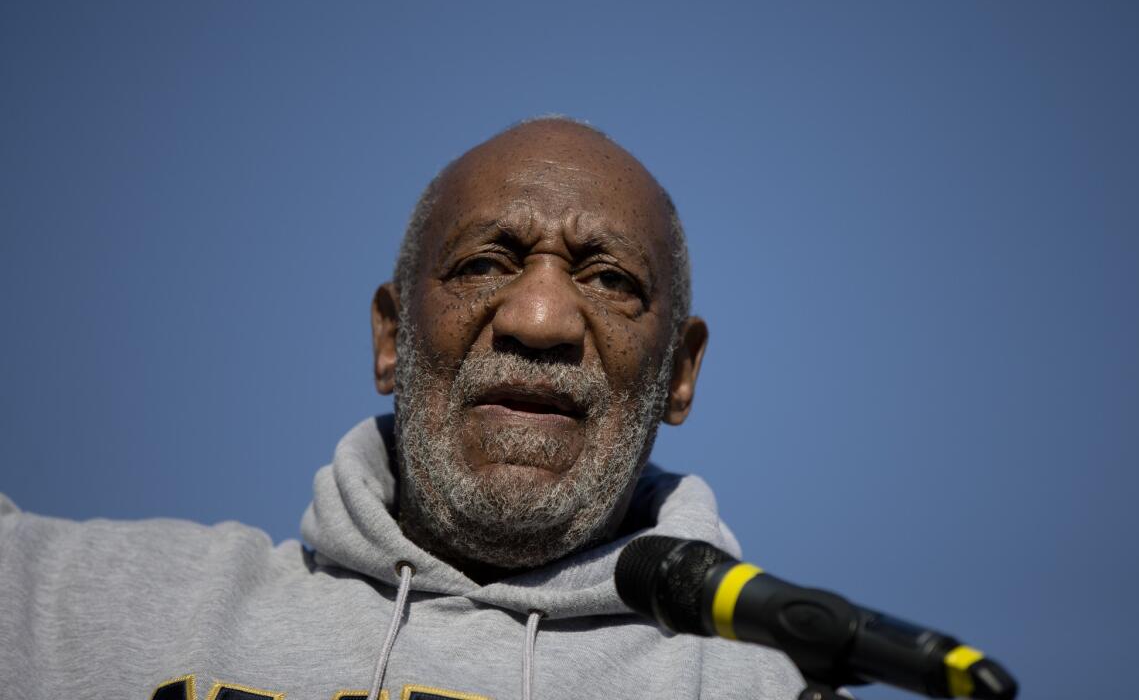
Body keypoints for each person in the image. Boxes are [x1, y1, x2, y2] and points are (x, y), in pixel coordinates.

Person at [0, 118, 801, 700]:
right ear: (392, 339)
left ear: (680, 373)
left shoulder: (761, 686)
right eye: (486, 263)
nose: (540, 320)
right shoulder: (76, 603)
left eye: (610, 280)